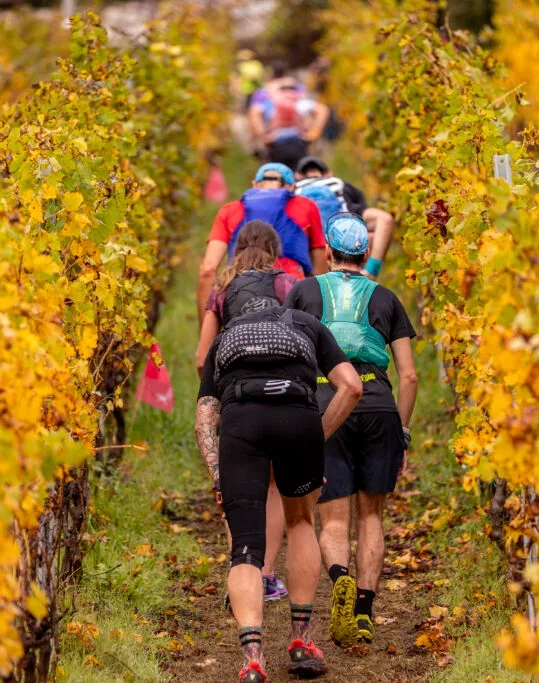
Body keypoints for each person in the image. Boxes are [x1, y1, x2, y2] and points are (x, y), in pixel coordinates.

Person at [195, 297, 363, 682]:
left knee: (246, 548)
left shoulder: (226, 337)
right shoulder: (307, 324)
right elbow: (352, 387)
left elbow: (205, 416)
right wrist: (315, 439)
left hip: (242, 422)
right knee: (301, 521)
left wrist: (219, 473)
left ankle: (252, 659)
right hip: (298, 418)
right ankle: (301, 642)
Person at [285, 213, 418, 648]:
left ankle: (338, 576)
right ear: (365, 254)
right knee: (372, 514)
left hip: (327, 401)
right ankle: (363, 610)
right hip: (378, 402)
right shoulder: (386, 297)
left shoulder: (304, 291)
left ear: (327, 252)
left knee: (334, 516)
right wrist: (402, 429)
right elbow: (410, 376)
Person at [195, 220, 301, 603]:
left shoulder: (222, 289)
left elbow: (202, 354)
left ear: (237, 249)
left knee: (238, 488)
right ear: (275, 251)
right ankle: (267, 575)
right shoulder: (288, 283)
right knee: (272, 486)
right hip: (285, 390)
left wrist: (215, 391)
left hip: (236, 394)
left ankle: (241, 569)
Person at [197, 163, 327, 325]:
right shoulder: (307, 207)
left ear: (254, 185)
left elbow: (208, 270)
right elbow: (320, 271)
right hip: (293, 295)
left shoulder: (229, 210)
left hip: (239, 294)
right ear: (292, 188)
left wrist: (207, 335)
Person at [295, 156, 395, 280]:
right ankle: (368, 275)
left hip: (309, 251)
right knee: (375, 232)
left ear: (297, 176)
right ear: (329, 174)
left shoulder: (293, 188)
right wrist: (371, 270)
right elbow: (384, 220)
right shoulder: (340, 184)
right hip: (344, 247)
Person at [248, 71, 329, 170]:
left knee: (278, 173)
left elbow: (254, 112)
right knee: (298, 172)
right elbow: (322, 110)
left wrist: (262, 136)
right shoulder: (300, 102)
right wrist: (314, 133)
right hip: (299, 142)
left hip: (276, 143)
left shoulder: (271, 102)